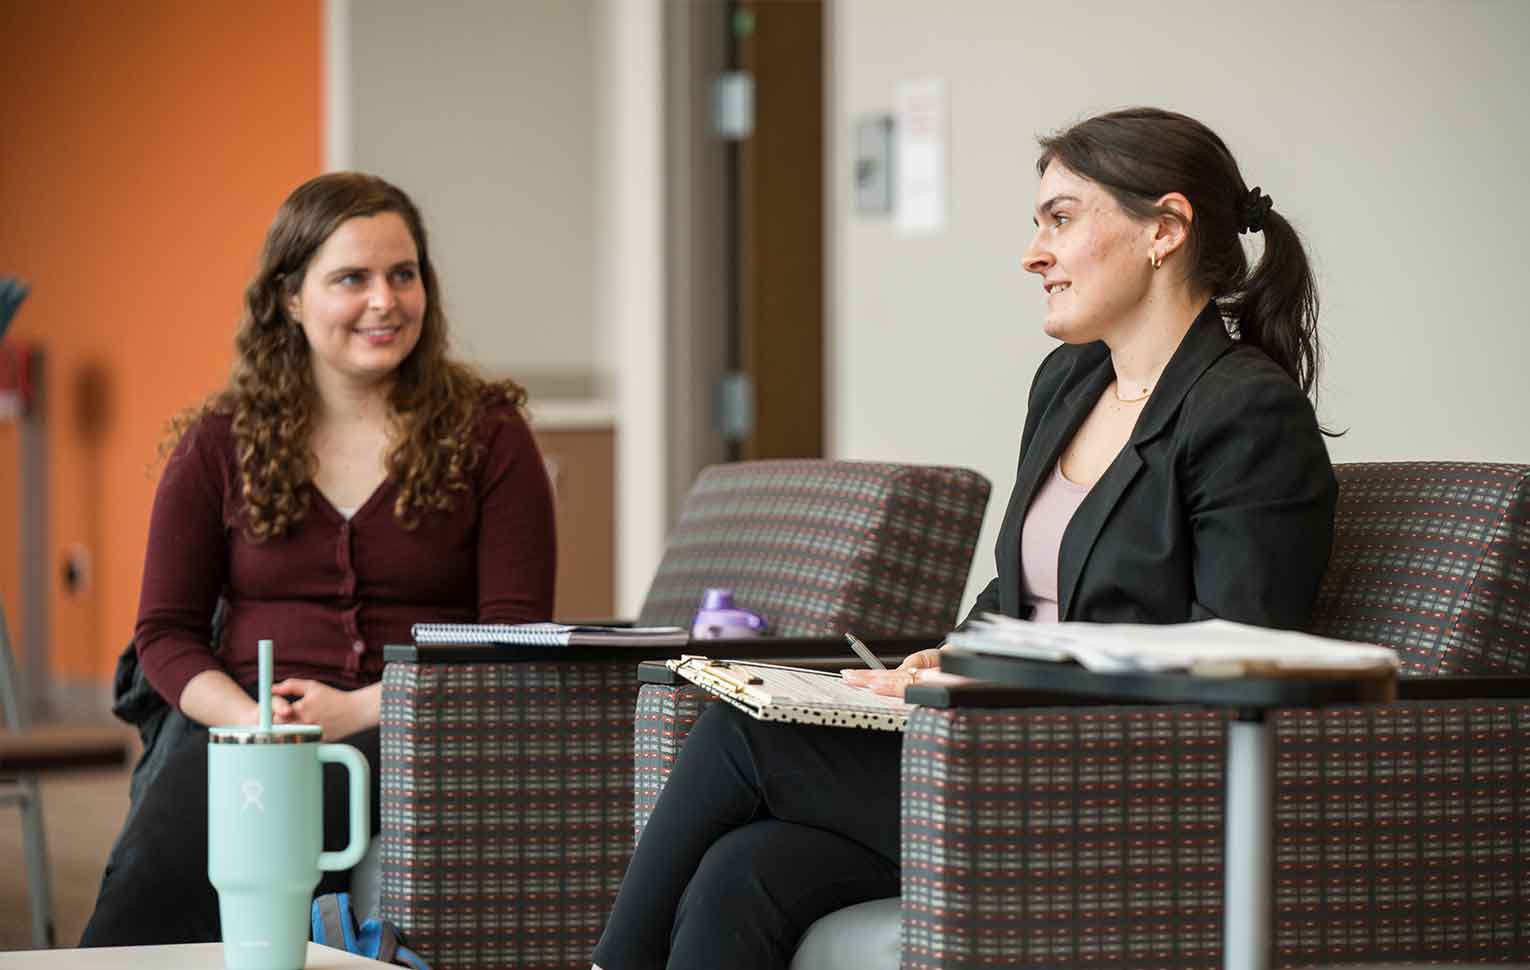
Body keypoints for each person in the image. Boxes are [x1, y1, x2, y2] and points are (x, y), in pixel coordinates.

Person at [590, 107, 1338, 970]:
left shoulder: (1246, 410)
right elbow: (1022, 592)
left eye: (1061, 218)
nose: (1034, 254)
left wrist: (998, 680)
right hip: (1011, 752)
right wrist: (949, 657)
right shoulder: (1071, 380)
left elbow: (1233, 657)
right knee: (743, 870)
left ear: (1164, 229)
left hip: (1131, 789)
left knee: (740, 737)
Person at [82, 172, 558, 946]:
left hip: (413, 726)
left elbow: (514, 632)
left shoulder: (489, 436)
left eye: (404, 275)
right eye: (352, 279)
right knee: (164, 862)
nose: (386, 301)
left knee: (272, 811)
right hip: (243, 722)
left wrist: (364, 707)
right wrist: (253, 723)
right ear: (291, 298)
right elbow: (165, 632)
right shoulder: (219, 442)